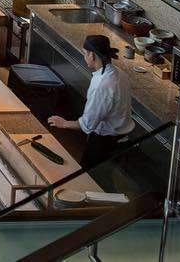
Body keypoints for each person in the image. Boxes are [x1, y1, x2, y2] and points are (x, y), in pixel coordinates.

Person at [49, 35, 135, 167]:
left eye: (85, 53)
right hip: (123, 138)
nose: (84, 56)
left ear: (92, 55)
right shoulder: (120, 74)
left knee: (89, 175)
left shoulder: (102, 85)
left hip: (105, 144)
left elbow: (87, 125)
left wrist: (64, 123)